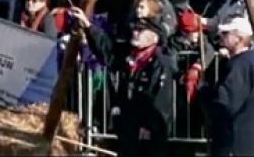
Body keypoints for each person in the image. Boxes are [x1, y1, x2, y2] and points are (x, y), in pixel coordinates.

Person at [68, 8, 177, 157]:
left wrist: (150, 127)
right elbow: (107, 49)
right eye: (135, 29)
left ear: (155, 37)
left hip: (148, 132)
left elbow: (160, 99)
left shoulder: (160, 63)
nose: (135, 33)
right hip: (128, 124)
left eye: (141, 30)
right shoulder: (130, 54)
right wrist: (88, 26)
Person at [201, 15, 254, 156]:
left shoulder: (239, 64)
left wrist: (203, 91)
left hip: (235, 140)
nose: (220, 36)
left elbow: (224, 103)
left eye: (226, 33)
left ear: (240, 38)